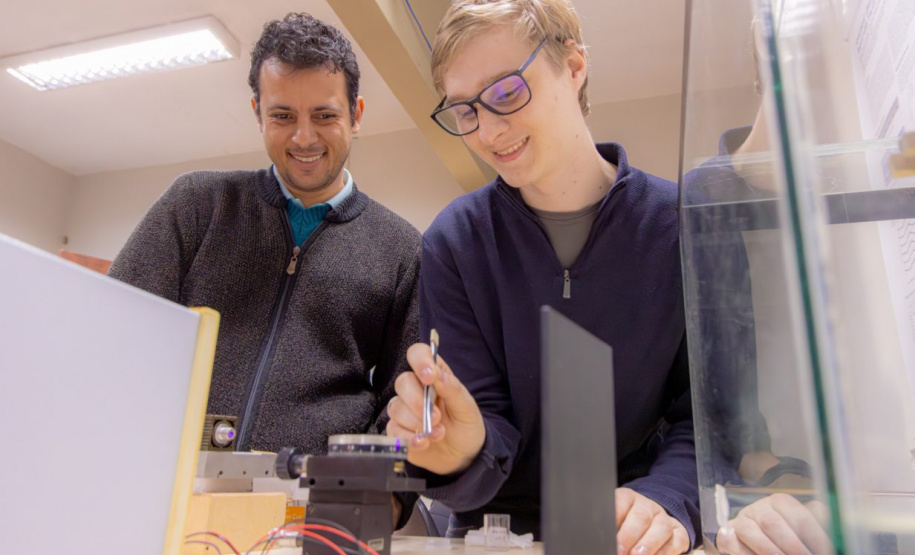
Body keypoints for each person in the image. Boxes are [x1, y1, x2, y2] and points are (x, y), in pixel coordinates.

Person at [384, 1, 700, 552]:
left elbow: (703, 417)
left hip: (633, 532)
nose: (488, 131)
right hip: (495, 537)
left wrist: (666, 498)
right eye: (465, 111)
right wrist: (459, 448)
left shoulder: (679, 228)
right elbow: (484, 433)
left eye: (506, 92)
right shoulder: (454, 243)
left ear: (574, 66)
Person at [109, 13, 421, 525]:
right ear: (257, 112)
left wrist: (387, 497)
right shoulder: (196, 206)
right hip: (165, 497)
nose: (303, 138)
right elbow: (113, 333)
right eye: (282, 116)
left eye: (324, 115)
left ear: (356, 113)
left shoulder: (402, 250)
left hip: (312, 515)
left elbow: (403, 400)